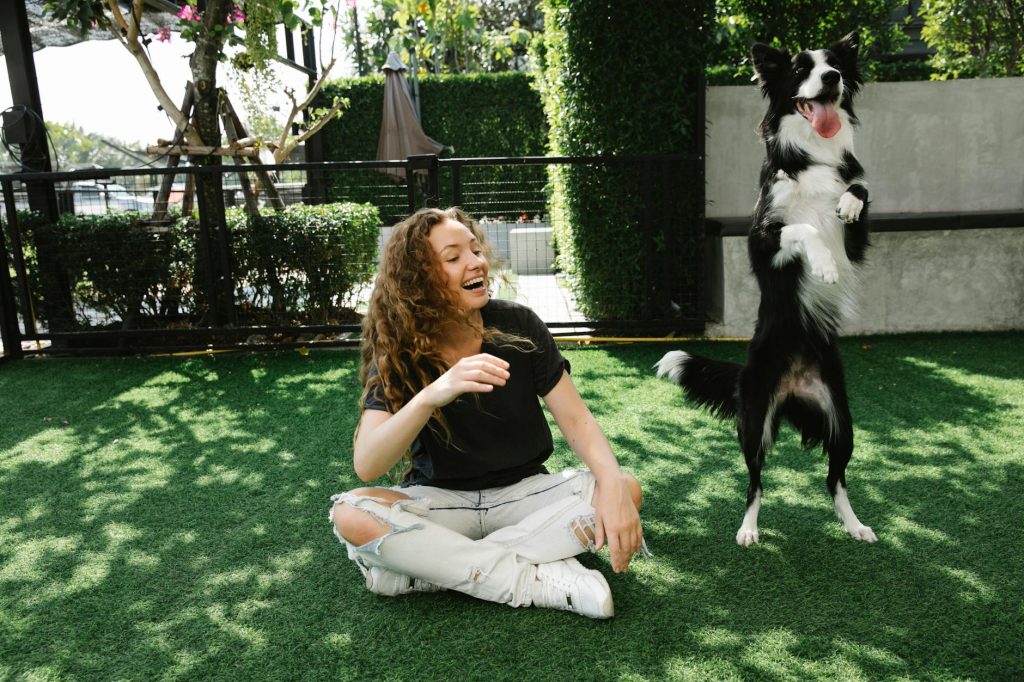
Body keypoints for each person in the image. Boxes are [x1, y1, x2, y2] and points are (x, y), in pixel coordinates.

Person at [329, 207, 647, 619]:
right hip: (442, 502)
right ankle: (532, 582)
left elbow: (578, 420)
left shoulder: (519, 325)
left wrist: (611, 486)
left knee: (623, 486)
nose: (476, 262)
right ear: (419, 278)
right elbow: (368, 464)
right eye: (454, 256)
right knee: (350, 514)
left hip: (524, 495)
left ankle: (432, 570)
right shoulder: (400, 346)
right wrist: (432, 395)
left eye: (475, 250)